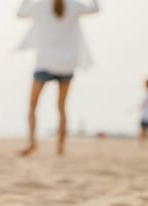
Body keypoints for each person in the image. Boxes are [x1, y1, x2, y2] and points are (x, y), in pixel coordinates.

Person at [16, 0, 99, 156]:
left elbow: (20, 13)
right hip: (67, 65)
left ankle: (32, 142)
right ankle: (60, 147)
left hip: (44, 63)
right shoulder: (74, 5)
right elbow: (95, 9)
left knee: (33, 106)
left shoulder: (40, 5)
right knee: (61, 108)